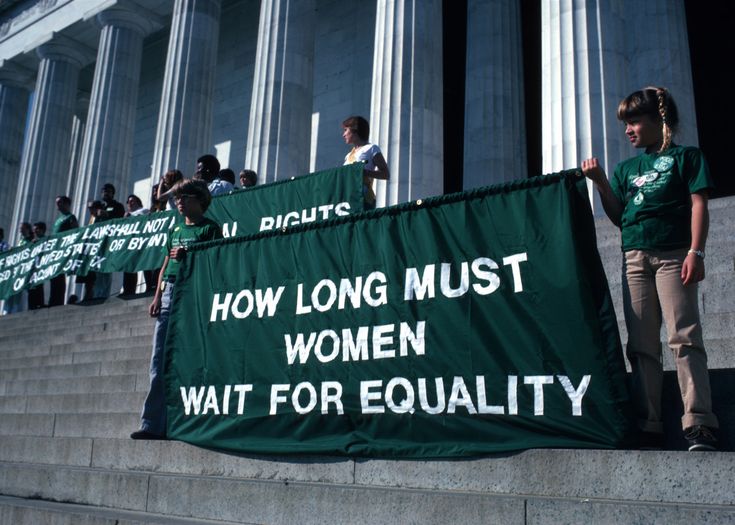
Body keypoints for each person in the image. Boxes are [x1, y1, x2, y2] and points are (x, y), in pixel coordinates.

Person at [582, 86, 719, 451]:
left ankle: (699, 421)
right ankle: (649, 422)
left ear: (659, 120)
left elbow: (698, 204)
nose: (628, 130)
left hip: (674, 255)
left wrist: (696, 252)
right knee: (641, 345)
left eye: (634, 121)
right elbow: (619, 217)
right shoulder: (626, 168)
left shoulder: (686, 157)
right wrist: (599, 183)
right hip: (635, 259)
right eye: (625, 123)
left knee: (684, 337)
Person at [131, 178, 222, 440]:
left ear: (200, 200)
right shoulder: (175, 231)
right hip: (169, 293)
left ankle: (189, 421)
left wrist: (190, 257)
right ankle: (152, 424)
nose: (179, 202)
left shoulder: (210, 229)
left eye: (185, 197)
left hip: (194, 295)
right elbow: (163, 266)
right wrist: (157, 296)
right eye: (177, 199)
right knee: (158, 361)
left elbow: (216, 265)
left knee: (191, 359)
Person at [341, 116, 390, 209]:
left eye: (345, 130)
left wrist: (363, 172)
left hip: (365, 199)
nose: (343, 135)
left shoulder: (371, 148)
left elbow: (386, 174)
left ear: (355, 130)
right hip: (348, 200)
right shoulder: (348, 156)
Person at [49, 196, 79, 306]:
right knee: (54, 276)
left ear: (66, 204)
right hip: (55, 252)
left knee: (60, 277)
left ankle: (58, 301)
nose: (57, 205)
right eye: (57, 202)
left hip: (63, 251)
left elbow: (76, 232)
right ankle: (53, 300)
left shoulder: (71, 217)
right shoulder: (58, 220)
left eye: (60, 202)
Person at [122, 195, 151, 296]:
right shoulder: (126, 214)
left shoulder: (144, 210)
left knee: (145, 265)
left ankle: (149, 287)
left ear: (138, 202)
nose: (129, 203)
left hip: (142, 241)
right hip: (130, 243)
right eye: (128, 201)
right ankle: (128, 290)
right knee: (129, 266)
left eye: (132, 201)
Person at [1, 223, 33, 315]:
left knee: (19, 291)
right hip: (15, 270)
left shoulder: (30, 241)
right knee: (12, 290)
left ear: (27, 229)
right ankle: (8, 309)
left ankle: (17, 309)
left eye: (22, 228)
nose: (20, 230)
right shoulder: (21, 241)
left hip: (23, 270)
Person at [27, 222, 47, 310]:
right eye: (34, 229)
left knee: (39, 284)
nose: (34, 231)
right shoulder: (33, 242)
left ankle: (40, 303)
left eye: (37, 229)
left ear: (42, 230)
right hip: (33, 267)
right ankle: (32, 305)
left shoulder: (46, 240)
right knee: (31, 285)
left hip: (41, 266)